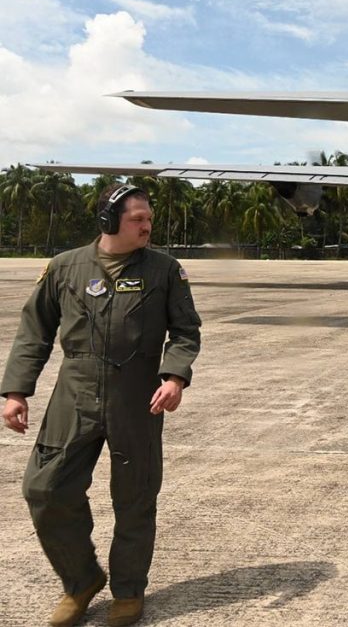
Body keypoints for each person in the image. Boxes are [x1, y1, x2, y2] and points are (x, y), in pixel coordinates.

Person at [1, 184, 202, 627]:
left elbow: (186, 331)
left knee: (135, 496)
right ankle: (81, 580)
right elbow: (34, 332)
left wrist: (174, 377)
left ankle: (129, 591)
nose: (147, 226)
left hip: (138, 396)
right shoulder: (65, 267)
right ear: (109, 222)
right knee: (45, 488)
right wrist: (16, 390)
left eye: (149, 219)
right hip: (75, 390)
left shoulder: (165, 270)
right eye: (137, 219)